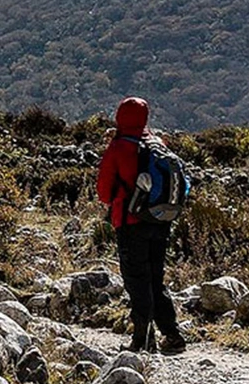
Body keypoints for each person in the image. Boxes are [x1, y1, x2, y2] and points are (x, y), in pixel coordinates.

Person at [96, 96, 187, 353]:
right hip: (160, 220)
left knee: (137, 280)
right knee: (156, 279)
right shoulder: (157, 143)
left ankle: (143, 339)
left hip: (130, 222)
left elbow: (104, 192)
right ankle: (172, 334)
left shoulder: (118, 147)